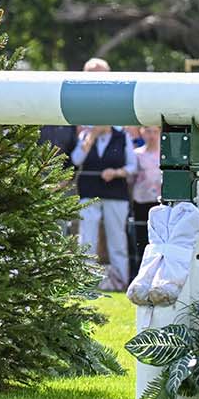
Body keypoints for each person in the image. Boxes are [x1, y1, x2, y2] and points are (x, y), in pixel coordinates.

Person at [72, 124, 136, 290]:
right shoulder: (86, 135)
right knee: (87, 238)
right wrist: (90, 139)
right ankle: (85, 281)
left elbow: (132, 166)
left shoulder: (122, 137)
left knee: (117, 239)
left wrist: (116, 173)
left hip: (115, 193)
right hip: (89, 192)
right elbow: (76, 160)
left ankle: (120, 282)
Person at [130, 125, 162, 275]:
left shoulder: (164, 154)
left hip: (160, 201)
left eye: (155, 132)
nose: (152, 135)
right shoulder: (136, 154)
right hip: (141, 201)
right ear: (142, 132)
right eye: (148, 131)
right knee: (142, 238)